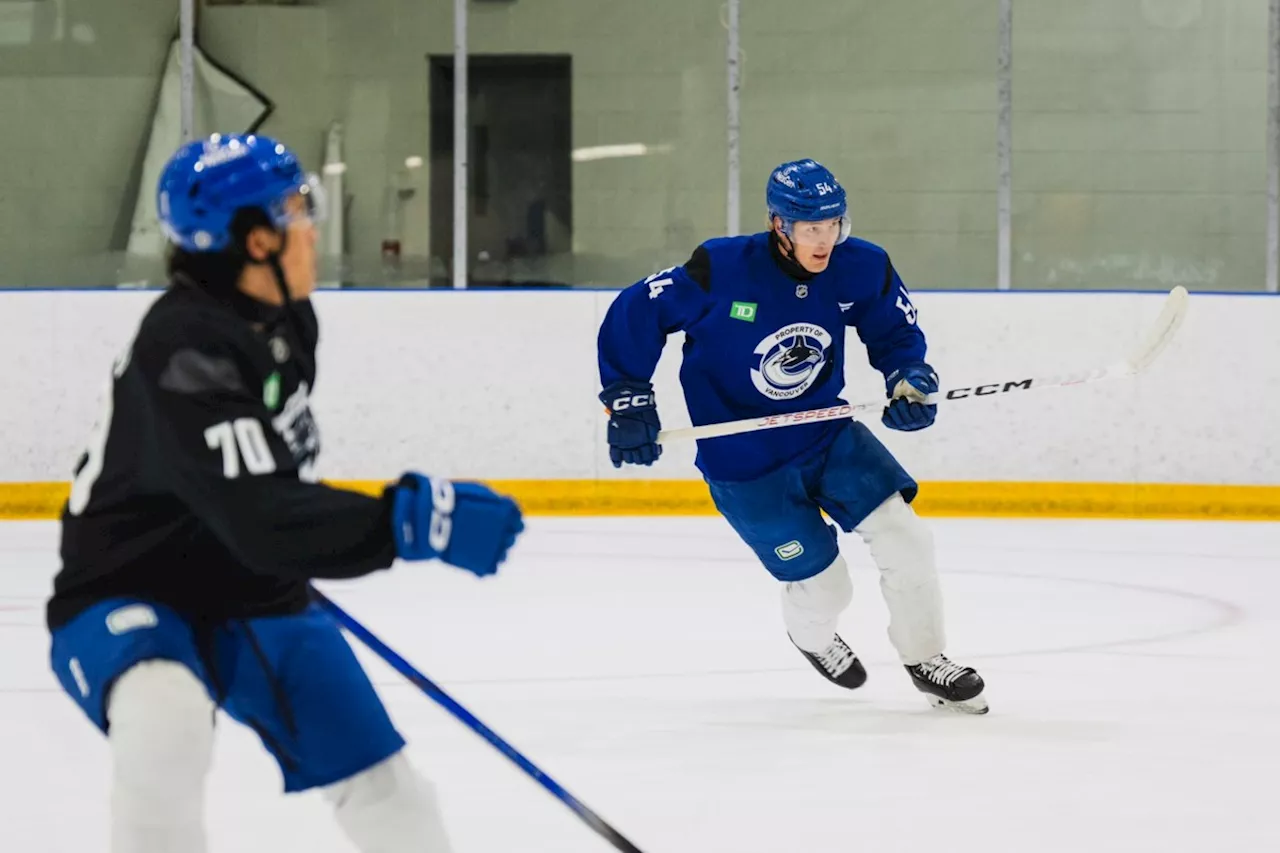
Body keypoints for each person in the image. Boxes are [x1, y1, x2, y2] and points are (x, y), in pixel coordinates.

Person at [47, 133, 525, 852]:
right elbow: (260, 513)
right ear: (254, 239)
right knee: (164, 721)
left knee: (388, 788)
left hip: (250, 581)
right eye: (296, 211)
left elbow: (261, 494)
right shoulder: (183, 348)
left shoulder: (286, 318)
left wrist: (349, 528)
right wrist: (406, 519)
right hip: (127, 587)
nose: (312, 228)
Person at [596, 158, 987, 714]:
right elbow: (638, 311)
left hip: (827, 433)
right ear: (779, 224)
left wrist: (909, 380)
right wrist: (629, 398)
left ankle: (926, 659)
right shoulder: (722, 267)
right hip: (744, 462)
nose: (825, 240)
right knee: (829, 589)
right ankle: (812, 638)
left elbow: (895, 332)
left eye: (834, 226)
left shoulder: (861, 266)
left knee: (908, 540)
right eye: (811, 229)